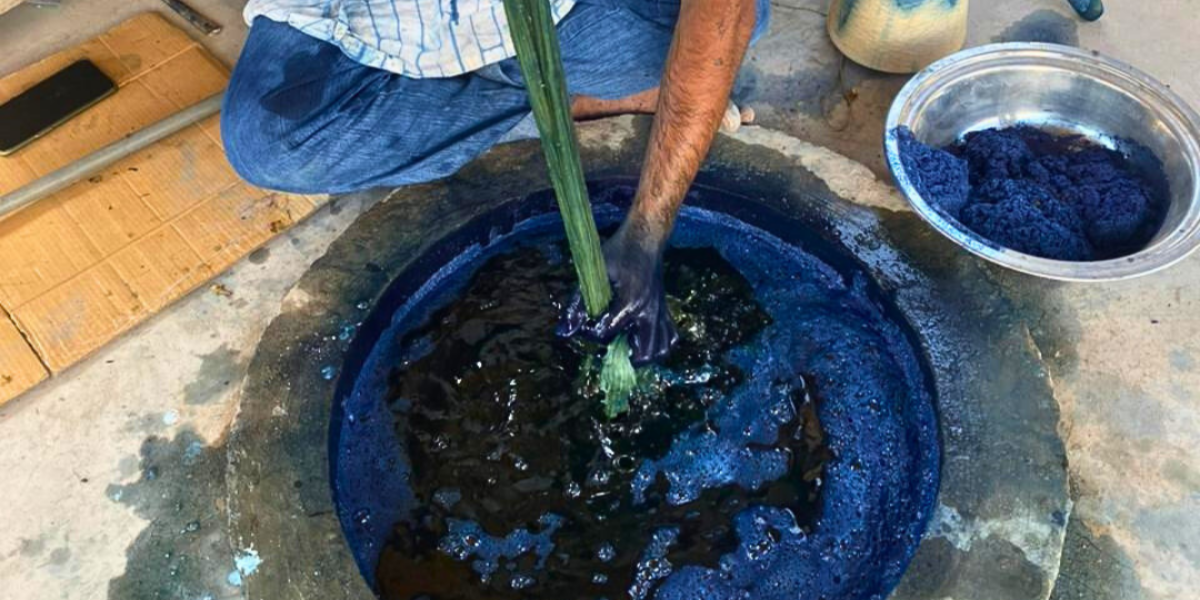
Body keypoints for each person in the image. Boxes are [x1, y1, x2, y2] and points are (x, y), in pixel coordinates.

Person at [222, 0, 769, 365]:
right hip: (382, 24)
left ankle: (538, 85)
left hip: (561, 12)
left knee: (734, 20)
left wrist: (646, 232)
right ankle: (550, 89)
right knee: (268, 146)